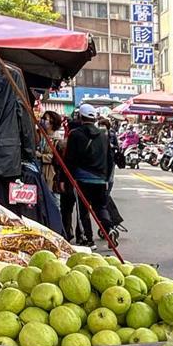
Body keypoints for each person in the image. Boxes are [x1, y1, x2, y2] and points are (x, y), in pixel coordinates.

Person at [63, 103, 112, 249]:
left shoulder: (75, 135)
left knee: (83, 211)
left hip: (82, 178)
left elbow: (69, 159)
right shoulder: (104, 135)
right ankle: (110, 229)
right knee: (100, 207)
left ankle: (87, 239)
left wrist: (65, 179)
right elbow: (109, 158)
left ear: (80, 117)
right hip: (101, 179)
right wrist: (107, 178)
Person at [37, 111, 62, 191]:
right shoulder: (38, 134)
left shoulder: (58, 140)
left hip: (51, 173)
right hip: (37, 171)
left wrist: (41, 156)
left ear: (53, 122)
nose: (42, 120)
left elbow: (56, 157)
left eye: (45, 119)